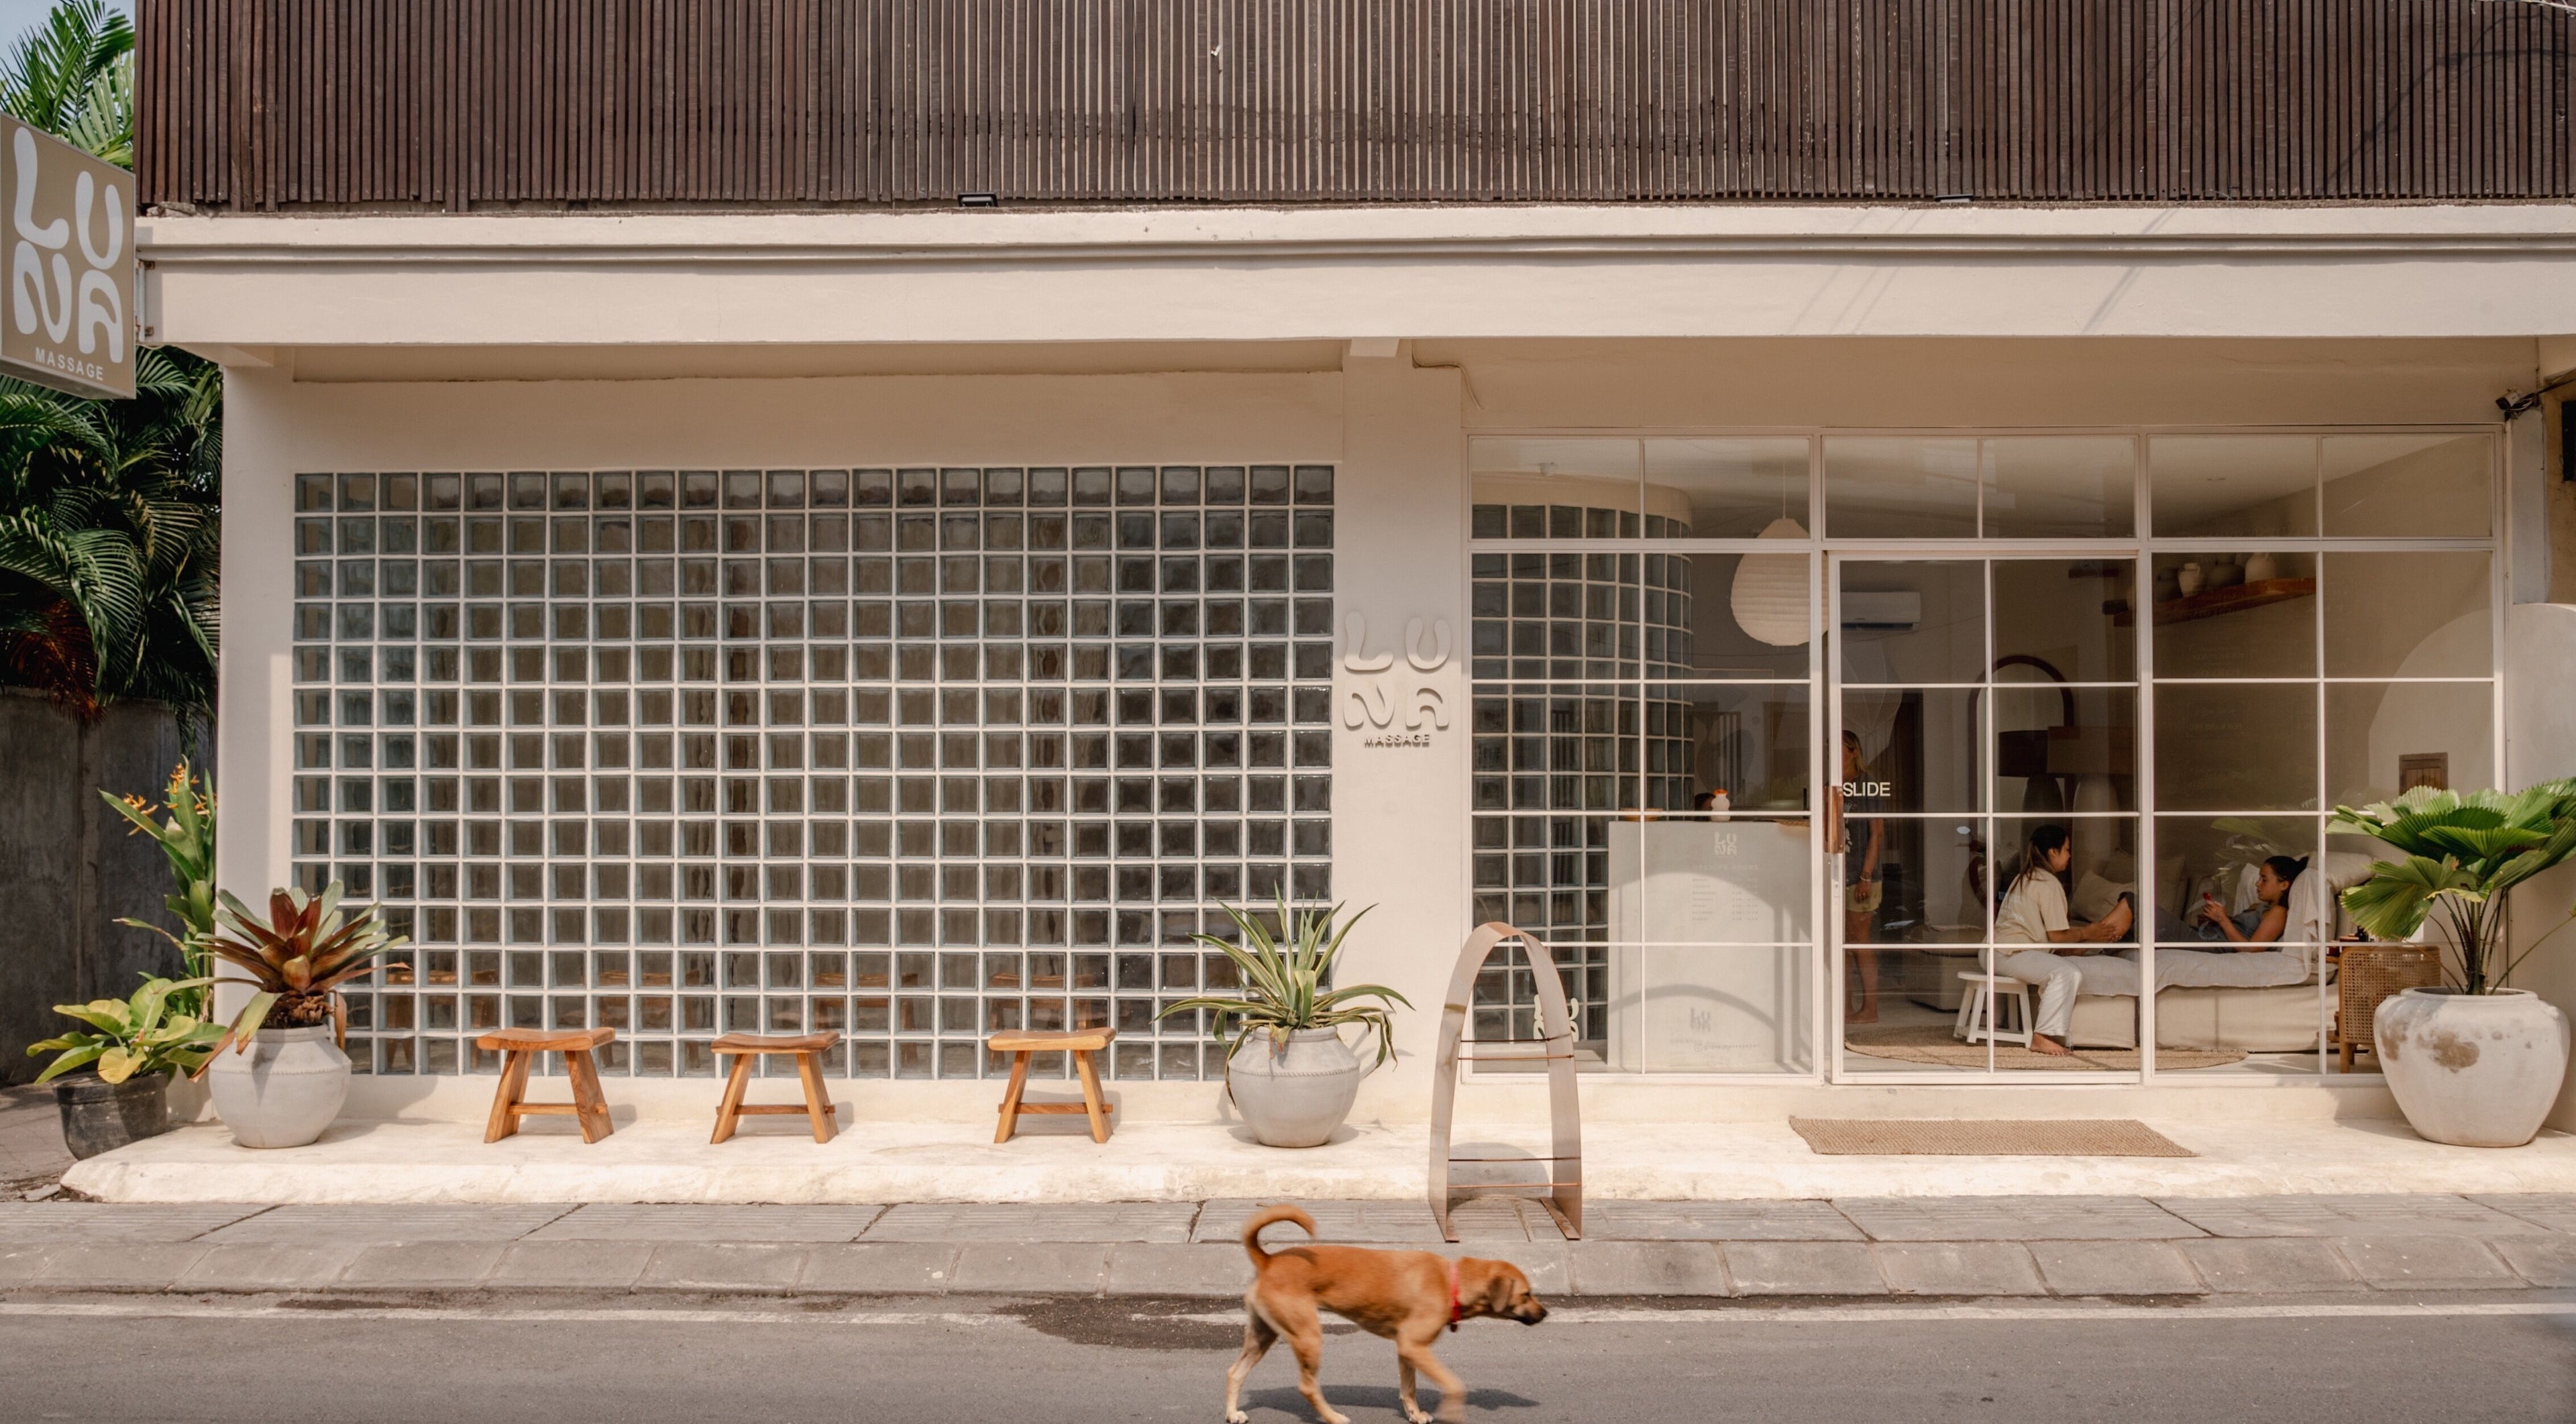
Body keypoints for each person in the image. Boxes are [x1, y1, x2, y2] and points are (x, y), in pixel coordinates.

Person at [1990, 823, 2137, 1057]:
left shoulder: (2024, 877)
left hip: (1992, 952)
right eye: (2067, 849)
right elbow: (2056, 937)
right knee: (2067, 973)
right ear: (2053, 852)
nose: (2070, 855)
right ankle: (2043, 1036)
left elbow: (2050, 938)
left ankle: (2042, 1033)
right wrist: (2088, 933)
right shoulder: (2048, 884)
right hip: (2011, 954)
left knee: (2061, 968)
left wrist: (2083, 941)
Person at [2155, 855, 2314, 989]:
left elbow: (2252, 950)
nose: (2257, 884)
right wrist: (2217, 919)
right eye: (2259, 878)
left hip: (2212, 946)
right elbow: (2237, 930)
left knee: (2140, 907)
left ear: (2284, 885)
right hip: (2204, 936)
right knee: (2143, 921)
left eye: (2264, 879)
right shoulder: (2259, 907)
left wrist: (2223, 920)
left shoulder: (2278, 912)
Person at [1834, 731, 1887, 1024]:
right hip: (1837, 875)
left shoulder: (1868, 784)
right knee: (1840, 942)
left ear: (1854, 752)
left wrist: (1866, 875)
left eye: (1838, 747)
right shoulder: (1833, 784)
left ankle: (1870, 1009)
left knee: (1858, 941)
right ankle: (1844, 1008)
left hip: (1862, 876)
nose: (1832, 752)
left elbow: (1877, 833)